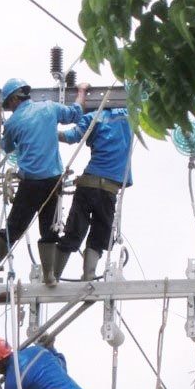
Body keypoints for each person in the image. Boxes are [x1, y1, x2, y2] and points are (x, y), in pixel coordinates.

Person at [0, 77, 90, 286]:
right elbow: (76, 112)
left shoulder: (13, 123)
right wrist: (81, 91)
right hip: (53, 181)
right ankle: (49, 275)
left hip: (31, 183)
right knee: (49, 227)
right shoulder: (49, 108)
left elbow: (7, 147)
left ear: (12, 101)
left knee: (16, 224)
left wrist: (6, 131)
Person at [55, 107, 134, 281]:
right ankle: (88, 275)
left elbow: (71, 136)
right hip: (109, 189)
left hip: (89, 184)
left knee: (74, 231)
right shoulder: (131, 115)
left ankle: (53, 276)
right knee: (99, 234)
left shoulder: (93, 117)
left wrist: (47, 131)